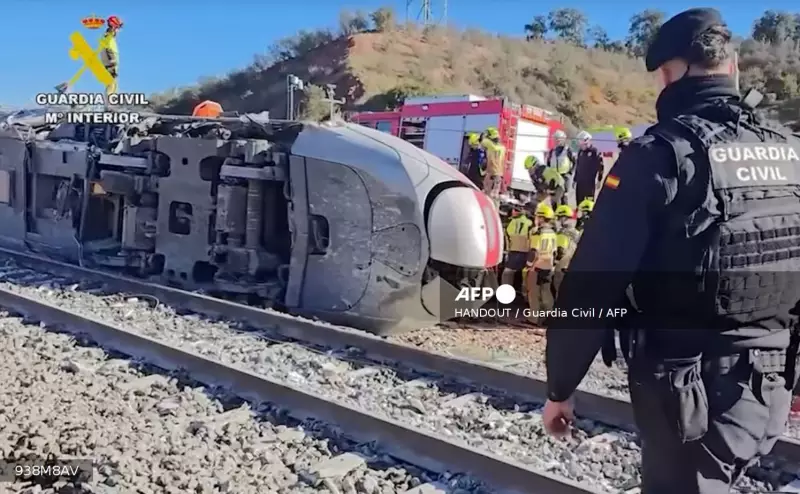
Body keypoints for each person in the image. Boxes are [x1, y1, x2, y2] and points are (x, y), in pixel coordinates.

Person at [542, 8, 800, 494]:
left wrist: (560, 388)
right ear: (734, 65)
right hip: (771, 390)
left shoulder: (658, 156)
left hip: (689, 398)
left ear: (670, 72)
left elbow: (595, 282)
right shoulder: (790, 153)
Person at [525, 202, 557, 326]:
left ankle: (533, 319)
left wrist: (528, 265)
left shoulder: (538, 233)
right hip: (548, 266)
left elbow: (534, 251)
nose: (536, 219)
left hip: (537, 266)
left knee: (533, 293)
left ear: (542, 218)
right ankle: (551, 317)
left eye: (538, 216)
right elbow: (554, 252)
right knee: (546, 293)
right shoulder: (553, 233)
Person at [552, 205, 580, 298]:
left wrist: (554, 264)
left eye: (558, 218)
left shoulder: (563, 233)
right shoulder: (576, 232)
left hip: (562, 266)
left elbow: (561, 250)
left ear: (563, 218)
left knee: (559, 290)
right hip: (571, 264)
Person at [501, 208, 533, 290]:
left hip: (513, 252)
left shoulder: (509, 223)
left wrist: (507, 252)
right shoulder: (530, 223)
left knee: (507, 274)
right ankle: (525, 296)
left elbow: (506, 240)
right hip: (529, 253)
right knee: (526, 276)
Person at [546, 130, 576, 206]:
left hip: (564, 176)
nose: (557, 141)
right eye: (556, 139)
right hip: (554, 176)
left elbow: (575, 162)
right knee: (553, 196)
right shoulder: (552, 152)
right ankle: (554, 213)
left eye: (559, 139)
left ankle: (564, 214)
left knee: (564, 196)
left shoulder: (568, 150)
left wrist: (570, 173)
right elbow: (548, 164)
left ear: (563, 139)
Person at [573, 131, 604, 204]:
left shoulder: (595, 152)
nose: (581, 146)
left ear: (588, 141)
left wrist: (599, 180)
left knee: (589, 203)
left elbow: (601, 167)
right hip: (580, 183)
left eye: (583, 144)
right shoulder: (580, 152)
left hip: (589, 183)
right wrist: (575, 179)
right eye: (580, 144)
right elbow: (578, 166)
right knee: (579, 203)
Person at [481, 127, 506, 205]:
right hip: (499, 175)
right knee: (495, 196)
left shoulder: (488, 144)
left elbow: (483, 142)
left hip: (491, 174)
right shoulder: (502, 148)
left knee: (487, 196)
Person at [100, 16, 123, 97]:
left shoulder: (108, 36)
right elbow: (107, 48)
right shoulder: (109, 35)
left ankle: (110, 101)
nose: (119, 30)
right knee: (112, 83)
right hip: (110, 61)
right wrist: (112, 60)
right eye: (118, 27)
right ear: (114, 25)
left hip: (109, 61)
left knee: (113, 83)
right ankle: (109, 102)